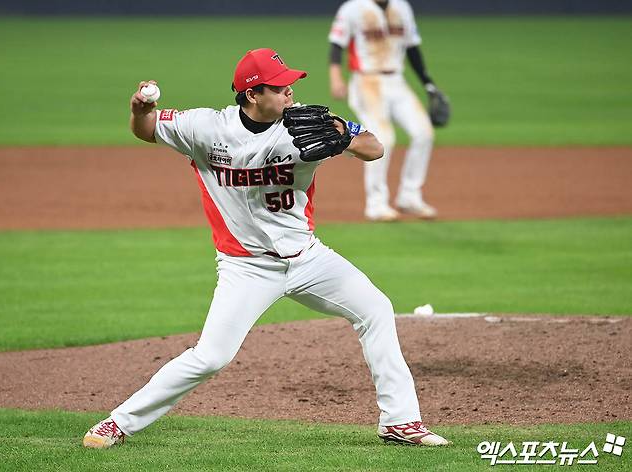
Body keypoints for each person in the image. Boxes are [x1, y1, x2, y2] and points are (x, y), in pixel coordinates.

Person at [82, 48, 449, 448]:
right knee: (211, 357)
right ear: (253, 94)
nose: (291, 92)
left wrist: (343, 131)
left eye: (291, 84)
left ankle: (400, 422)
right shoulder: (207, 128)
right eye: (280, 86)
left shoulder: (309, 122)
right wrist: (139, 110)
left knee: (375, 309)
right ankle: (117, 423)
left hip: (309, 259)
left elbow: (375, 148)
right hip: (247, 268)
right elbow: (148, 128)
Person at [329, 0, 448, 221]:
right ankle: (376, 204)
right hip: (366, 81)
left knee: (424, 133)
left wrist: (428, 83)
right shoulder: (353, 8)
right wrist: (336, 78)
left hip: (397, 80)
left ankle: (409, 196)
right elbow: (337, 44)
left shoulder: (402, 8)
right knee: (383, 137)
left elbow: (412, 48)